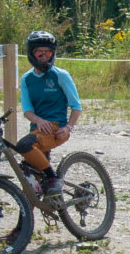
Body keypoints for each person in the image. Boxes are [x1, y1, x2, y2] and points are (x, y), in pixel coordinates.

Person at [16, 31, 83, 194]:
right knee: (30, 186)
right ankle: (27, 217)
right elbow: (27, 110)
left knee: (23, 145)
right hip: (37, 130)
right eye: (40, 52)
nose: (44, 56)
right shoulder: (26, 79)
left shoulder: (60, 75)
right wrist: (38, 120)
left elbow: (76, 106)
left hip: (56, 128)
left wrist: (68, 128)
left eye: (48, 52)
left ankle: (53, 178)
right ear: (32, 53)